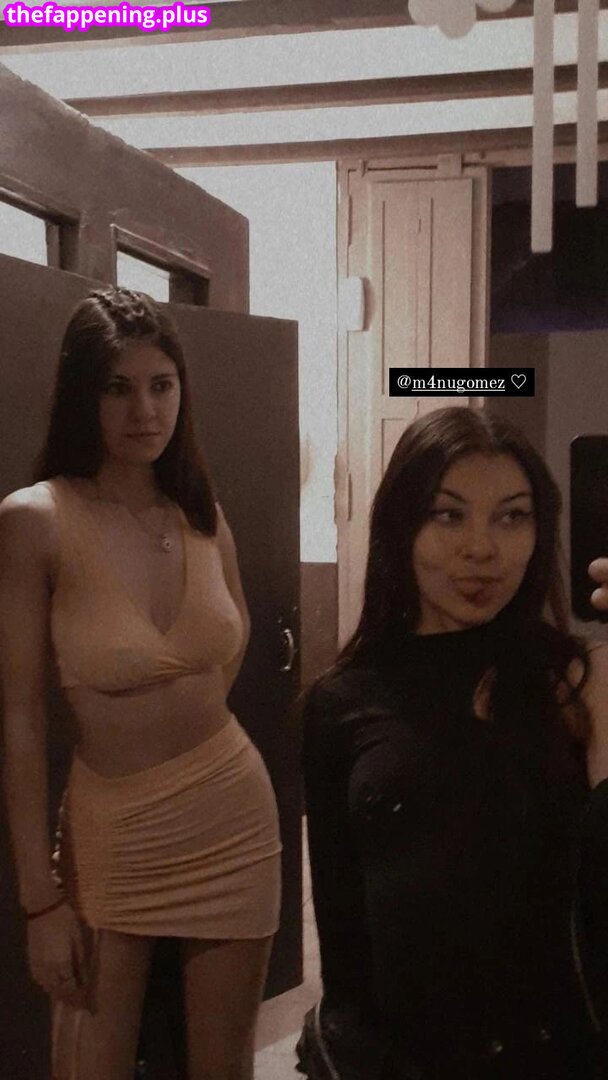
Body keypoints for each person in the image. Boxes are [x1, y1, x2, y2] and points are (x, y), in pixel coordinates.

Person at [0, 287, 282, 1080]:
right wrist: (40, 898)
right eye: (117, 388)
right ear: (81, 395)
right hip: (114, 831)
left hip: (233, 817)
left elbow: (230, 648)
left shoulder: (202, 514)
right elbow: (20, 719)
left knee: (223, 1070)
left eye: (162, 385)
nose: (144, 410)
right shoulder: (35, 519)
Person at [296, 406, 608, 1080]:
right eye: (449, 515)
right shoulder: (340, 702)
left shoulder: (579, 681)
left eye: (512, 516)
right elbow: (346, 950)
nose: (482, 548)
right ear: (400, 527)